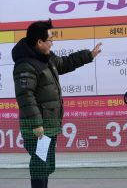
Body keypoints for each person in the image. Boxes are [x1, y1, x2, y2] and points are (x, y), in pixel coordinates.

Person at [12, 19, 102, 188]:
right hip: (38, 128)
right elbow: (25, 96)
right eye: (50, 40)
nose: (52, 43)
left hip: (49, 125)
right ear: (39, 42)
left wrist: (88, 55)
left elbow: (65, 63)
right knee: (40, 166)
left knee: (46, 166)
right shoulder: (25, 64)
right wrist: (36, 124)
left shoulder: (46, 58)